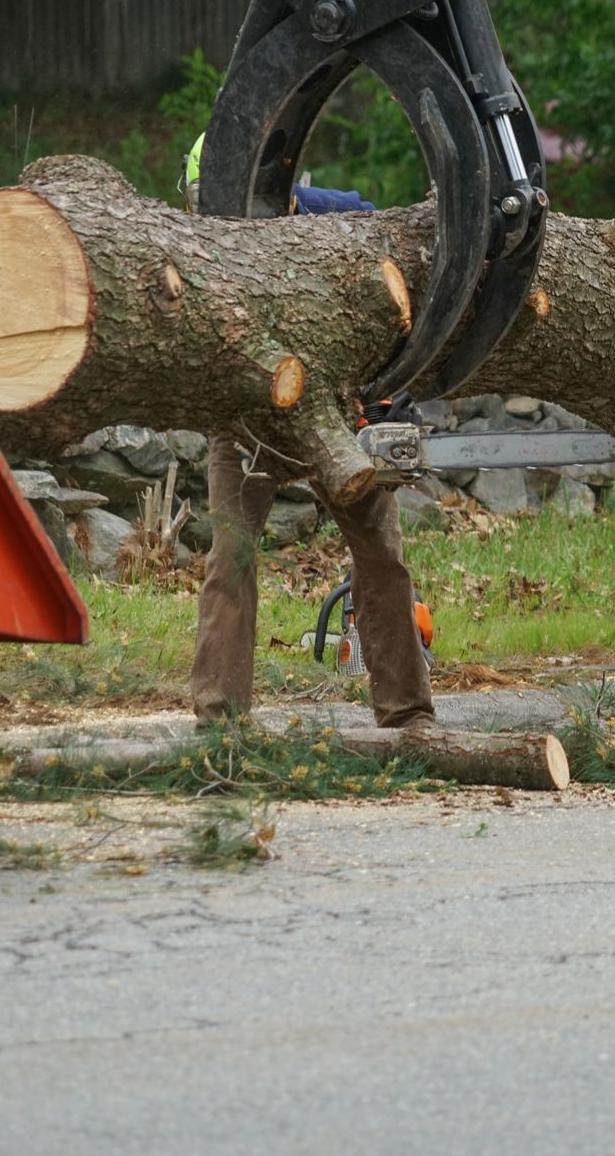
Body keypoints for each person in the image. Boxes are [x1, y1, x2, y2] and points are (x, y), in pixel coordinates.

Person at [181, 136, 436, 730]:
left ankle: (407, 714)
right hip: (249, 422)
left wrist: (389, 400)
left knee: (381, 556)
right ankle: (220, 723)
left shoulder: (342, 218)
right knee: (231, 558)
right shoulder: (198, 249)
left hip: (339, 409)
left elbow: (399, 311)